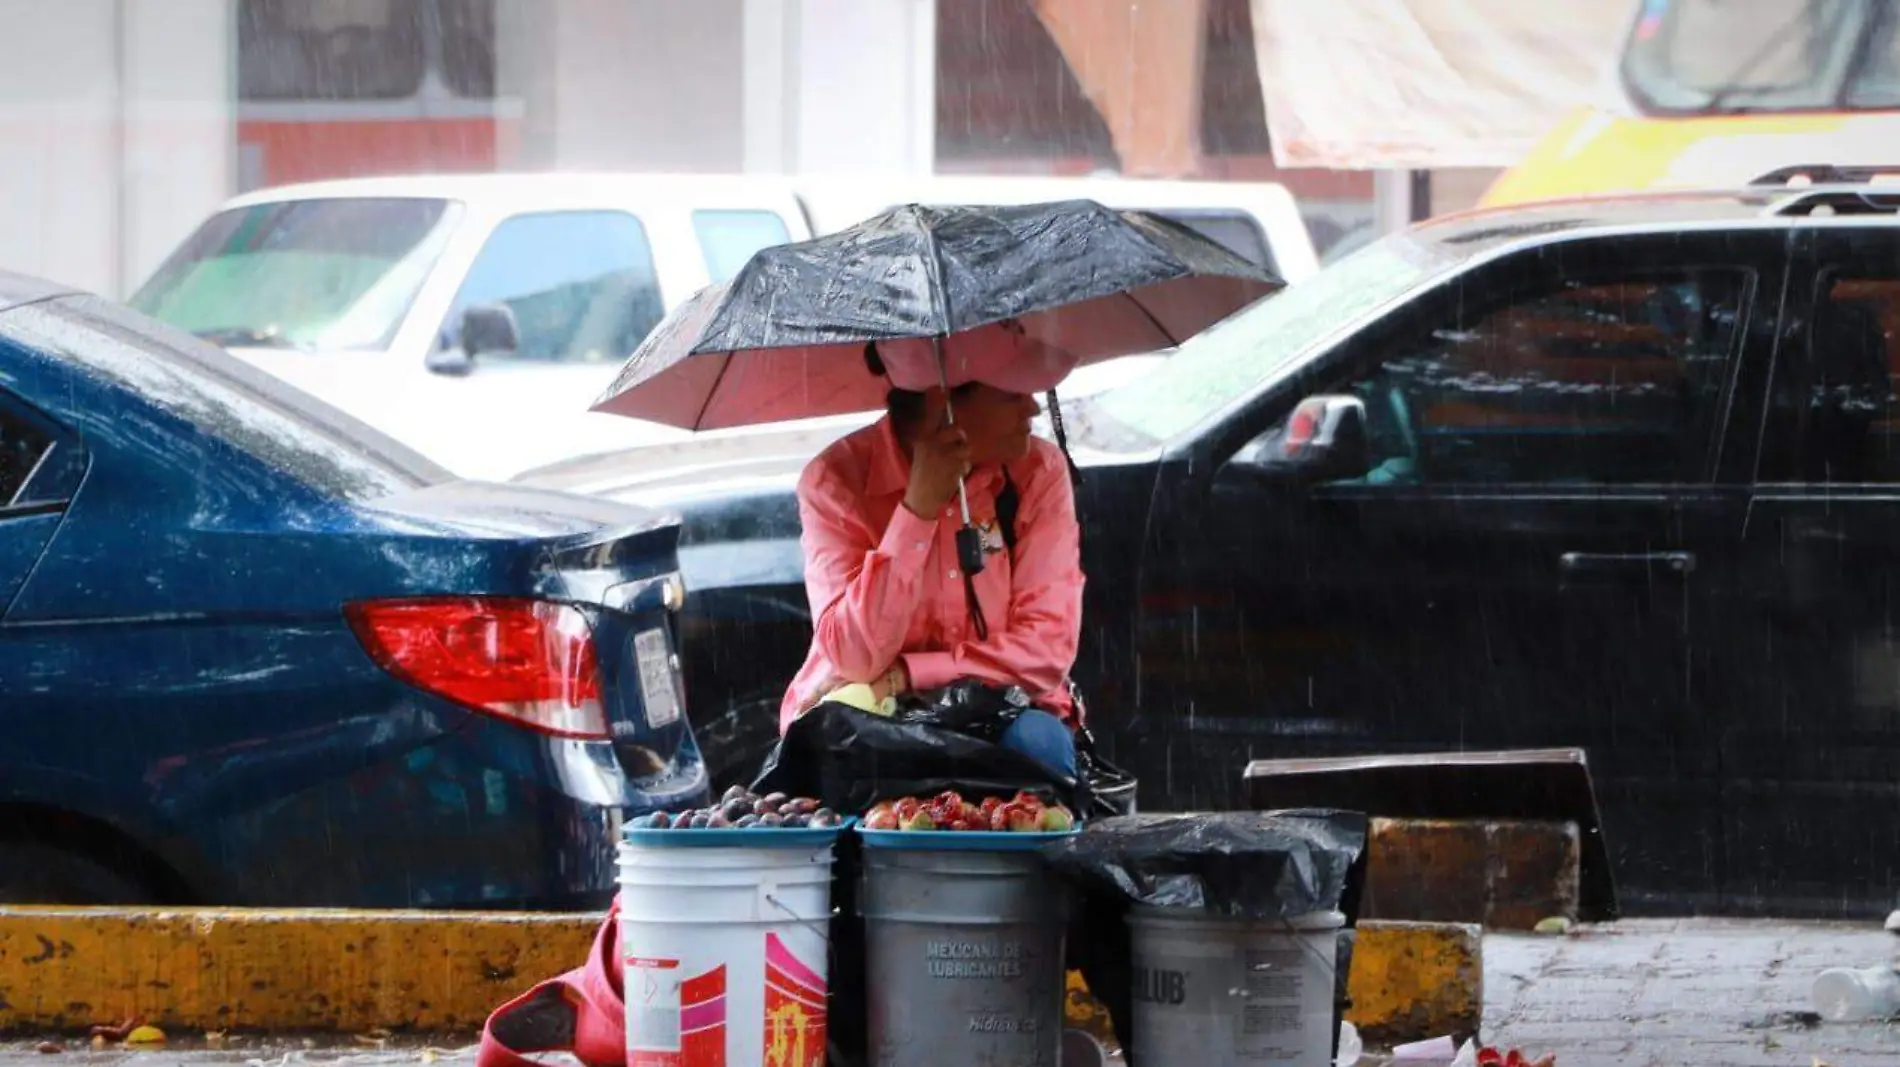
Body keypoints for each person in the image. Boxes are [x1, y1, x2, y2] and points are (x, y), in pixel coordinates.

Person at [779, 322, 1085, 777]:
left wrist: (910, 672)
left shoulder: (1037, 471)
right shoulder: (835, 481)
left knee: (1038, 748)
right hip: (868, 715)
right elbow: (856, 656)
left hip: (1000, 709)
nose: (1033, 407)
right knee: (837, 761)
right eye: (1011, 394)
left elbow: (1047, 648)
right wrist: (917, 511)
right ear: (944, 406)